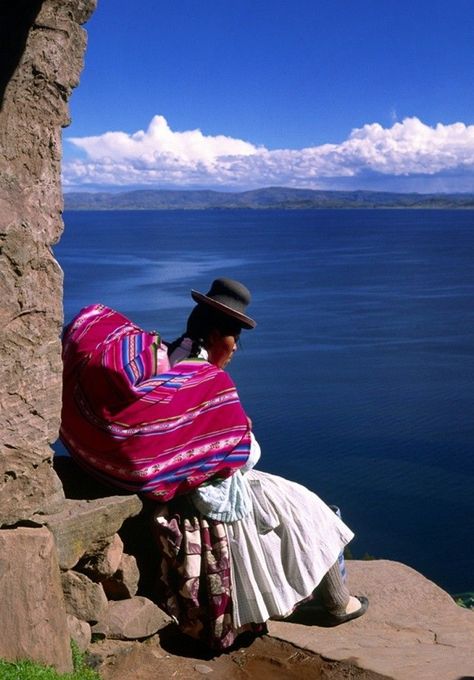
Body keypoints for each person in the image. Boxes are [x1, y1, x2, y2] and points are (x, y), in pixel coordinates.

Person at [60, 277, 368, 650]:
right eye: (234, 336)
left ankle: (324, 597)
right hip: (198, 493)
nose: (237, 347)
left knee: (293, 510)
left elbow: (167, 431)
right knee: (308, 510)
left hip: (172, 482)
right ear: (215, 335)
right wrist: (237, 431)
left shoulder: (162, 357)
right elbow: (244, 456)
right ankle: (339, 604)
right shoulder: (207, 382)